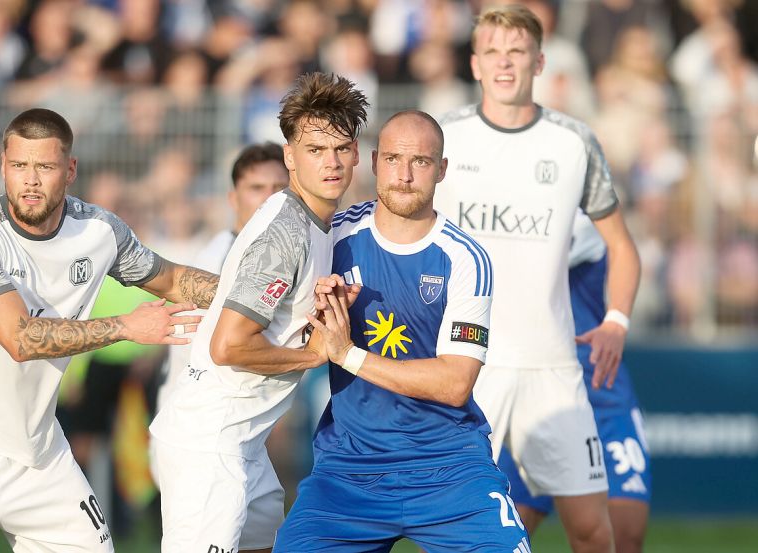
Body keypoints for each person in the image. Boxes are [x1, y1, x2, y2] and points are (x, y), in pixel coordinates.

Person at [0, 108, 219, 552]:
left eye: (44, 167)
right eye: (19, 166)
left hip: (40, 454)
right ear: (3, 166)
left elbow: (175, 280)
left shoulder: (100, 230)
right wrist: (125, 326)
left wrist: (265, 297)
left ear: (70, 170)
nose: (30, 180)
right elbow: (20, 339)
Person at [433, 5, 641, 552]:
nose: (505, 64)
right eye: (493, 53)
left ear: (540, 61)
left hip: (553, 369)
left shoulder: (573, 142)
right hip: (467, 365)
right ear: (475, 64)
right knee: (457, 531)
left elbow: (622, 247)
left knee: (595, 532)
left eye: (517, 52)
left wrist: (617, 320)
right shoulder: (444, 138)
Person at [274, 110, 530, 552]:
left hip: (450, 469)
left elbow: (455, 383)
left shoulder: (466, 258)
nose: (405, 175)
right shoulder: (331, 237)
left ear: (442, 169)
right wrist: (314, 316)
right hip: (349, 471)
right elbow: (281, 326)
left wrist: (348, 353)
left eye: (421, 162)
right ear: (373, 162)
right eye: (393, 159)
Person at [149, 71, 369, 553]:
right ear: (290, 156)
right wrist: (313, 356)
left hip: (244, 443)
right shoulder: (283, 233)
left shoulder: (318, 222)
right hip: (210, 442)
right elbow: (227, 345)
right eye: (315, 150)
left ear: (355, 152)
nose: (330, 163)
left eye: (341, 148)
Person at [499, 212, 651, 553]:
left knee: (624, 536)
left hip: (599, 382)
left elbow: (541, 253)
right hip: (528, 384)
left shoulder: (582, 199)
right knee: (491, 535)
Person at [151, 141, 289, 468]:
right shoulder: (218, 263)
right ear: (233, 198)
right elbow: (229, 349)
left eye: (280, 188)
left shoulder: (271, 254)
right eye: (257, 188)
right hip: (200, 432)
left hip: (237, 429)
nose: (270, 198)